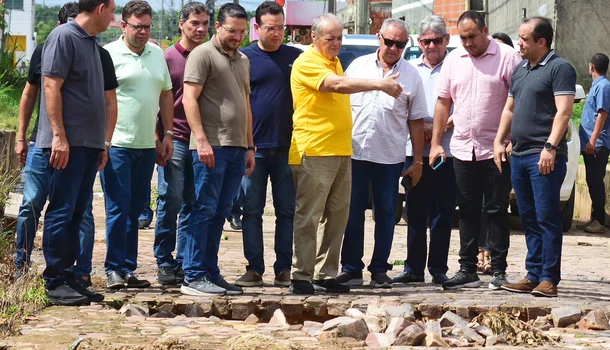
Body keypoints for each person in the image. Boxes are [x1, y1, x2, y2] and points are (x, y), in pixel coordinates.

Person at [288, 14, 402, 295]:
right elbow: (336, 86)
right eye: (331, 38)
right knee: (309, 215)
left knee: (338, 216)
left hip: (341, 150)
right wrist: (380, 84)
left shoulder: (335, 61)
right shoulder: (308, 62)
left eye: (340, 38)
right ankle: (300, 274)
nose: (337, 43)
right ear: (314, 37)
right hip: (313, 150)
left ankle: (324, 273)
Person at [14, 3, 117, 291]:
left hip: (88, 145)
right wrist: (58, 135)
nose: (113, 16)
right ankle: (55, 278)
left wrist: (102, 144)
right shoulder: (64, 37)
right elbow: (49, 87)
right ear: (99, 8)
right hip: (66, 145)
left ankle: (70, 275)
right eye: (112, 10)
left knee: (76, 211)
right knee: (61, 210)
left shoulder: (92, 44)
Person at [429, 10, 522, 291]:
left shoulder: (507, 57)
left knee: (496, 209)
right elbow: (443, 102)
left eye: (472, 36)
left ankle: (498, 269)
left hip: (496, 148)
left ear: (485, 30)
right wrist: (435, 143)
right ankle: (467, 268)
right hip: (462, 148)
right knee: (467, 209)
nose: (467, 42)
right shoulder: (454, 60)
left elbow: (518, 101)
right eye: (463, 37)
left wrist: (509, 139)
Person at [337, 18, 426, 289]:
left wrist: (418, 160)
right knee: (351, 213)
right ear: (379, 37)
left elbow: (416, 120)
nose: (394, 48)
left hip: (390, 156)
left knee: (387, 214)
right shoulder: (358, 66)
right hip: (355, 152)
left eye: (400, 44)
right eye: (389, 42)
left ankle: (379, 269)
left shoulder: (412, 75)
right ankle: (351, 268)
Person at [494, 17, 576, 298]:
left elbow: (564, 112)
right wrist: (499, 140)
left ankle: (549, 279)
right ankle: (533, 274)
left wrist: (550, 147)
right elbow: (509, 109)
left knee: (547, 217)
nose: (519, 43)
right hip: (518, 154)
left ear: (541, 41)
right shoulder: (520, 70)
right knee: (528, 217)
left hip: (544, 156)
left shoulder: (559, 68)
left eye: (525, 39)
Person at [181, 3, 255, 296]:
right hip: (211, 146)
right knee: (203, 210)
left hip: (236, 148)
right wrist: (200, 140)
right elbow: (189, 99)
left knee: (221, 211)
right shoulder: (203, 55)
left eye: (241, 32)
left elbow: (246, 105)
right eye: (231, 31)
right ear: (218, 27)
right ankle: (193, 274)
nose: (237, 36)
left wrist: (250, 146)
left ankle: (210, 272)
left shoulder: (243, 60)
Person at [103, 0, 174, 289]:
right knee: (118, 209)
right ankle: (113, 268)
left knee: (136, 209)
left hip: (147, 145)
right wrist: (103, 142)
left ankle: (128, 268)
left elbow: (166, 94)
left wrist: (166, 133)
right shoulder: (108, 54)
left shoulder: (157, 54)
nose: (143, 32)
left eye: (147, 27)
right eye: (137, 27)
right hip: (118, 143)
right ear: (123, 26)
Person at [234, 1, 301, 288]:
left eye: (281, 28)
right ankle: (254, 268)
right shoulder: (243, 58)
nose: (277, 33)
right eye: (271, 28)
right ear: (257, 27)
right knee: (252, 210)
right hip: (254, 148)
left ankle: (284, 268)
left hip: (288, 146)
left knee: (287, 211)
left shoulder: (296, 58)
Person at [392, 15, 455, 286]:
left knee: (443, 211)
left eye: (437, 41)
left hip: (446, 151)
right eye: (426, 41)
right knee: (415, 210)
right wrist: (421, 131)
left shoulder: (455, 67)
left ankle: (439, 268)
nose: (431, 46)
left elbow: (464, 106)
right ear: (419, 42)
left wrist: (438, 130)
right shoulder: (410, 70)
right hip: (414, 149)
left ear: (446, 41)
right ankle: (413, 268)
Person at [154, 1, 210, 286]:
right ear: (182, 24)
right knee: (170, 200)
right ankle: (164, 260)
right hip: (173, 138)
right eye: (194, 23)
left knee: (194, 202)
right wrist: (158, 136)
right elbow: (158, 99)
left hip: (201, 142)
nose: (200, 29)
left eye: (204, 24)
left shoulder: (211, 56)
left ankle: (186, 261)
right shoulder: (167, 58)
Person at [577, 53, 610, 233]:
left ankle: (599, 220)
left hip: (597, 143)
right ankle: (594, 218)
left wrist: (593, 139)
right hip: (591, 143)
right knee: (591, 180)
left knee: (595, 180)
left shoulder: (603, 86)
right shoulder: (598, 86)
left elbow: (602, 114)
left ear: (591, 67)